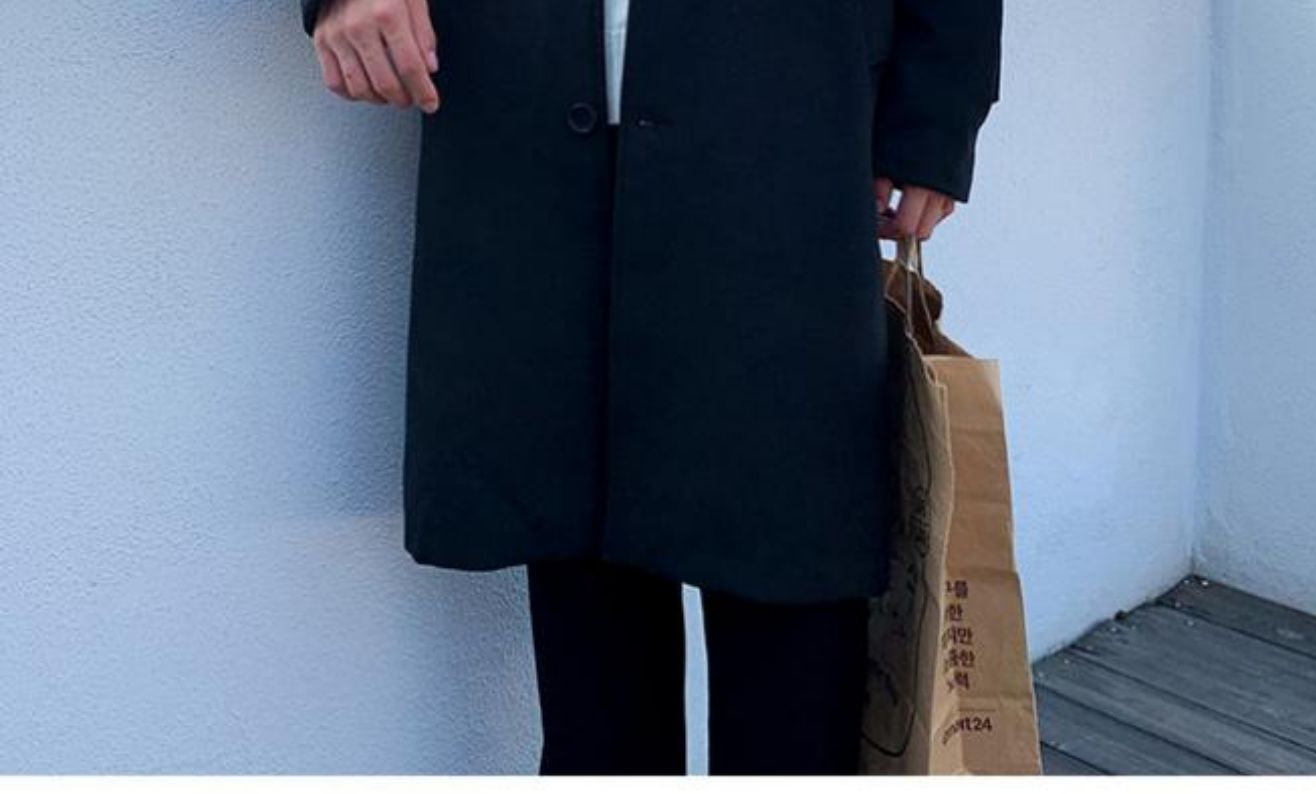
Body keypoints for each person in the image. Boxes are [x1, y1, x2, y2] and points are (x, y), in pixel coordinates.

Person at [297, 0, 1002, 775]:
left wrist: (937, 112)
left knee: (791, 603)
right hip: (534, 153)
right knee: (588, 641)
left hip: (789, 138)